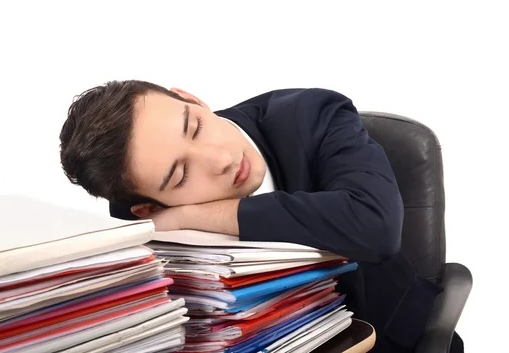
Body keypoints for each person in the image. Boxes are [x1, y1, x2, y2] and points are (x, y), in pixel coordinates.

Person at [59, 80, 462, 353]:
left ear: (191, 99)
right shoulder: (136, 208)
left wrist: (201, 215)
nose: (219, 159)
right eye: (181, 175)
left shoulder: (313, 114)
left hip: (390, 333)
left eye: (195, 127)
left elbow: (375, 225)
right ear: (147, 207)